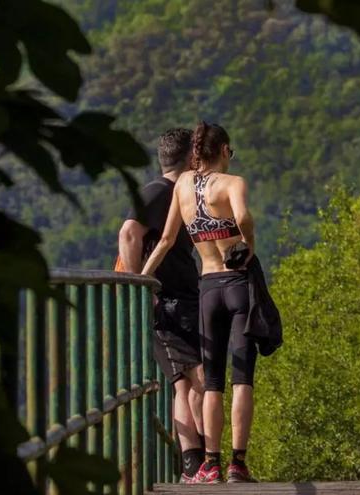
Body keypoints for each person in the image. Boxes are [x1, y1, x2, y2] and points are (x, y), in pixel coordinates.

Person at [141, 121, 262, 484]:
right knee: (242, 378)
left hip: (207, 287)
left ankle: (210, 462)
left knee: (211, 382)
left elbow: (165, 240)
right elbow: (241, 217)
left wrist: (142, 279)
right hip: (238, 283)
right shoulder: (233, 183)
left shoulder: (181, 186)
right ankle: (237, 465)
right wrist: (248, 244)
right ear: (224, 150)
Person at [117, 128, 206, 483]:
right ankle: (193, 464)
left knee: (192, 380)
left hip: (181, 298)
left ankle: (200, 462)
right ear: (189, 159)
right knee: (190, 381)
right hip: (167, 302)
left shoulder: (173, 192)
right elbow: (128, 233)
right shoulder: (159, 192)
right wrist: (142, 284)